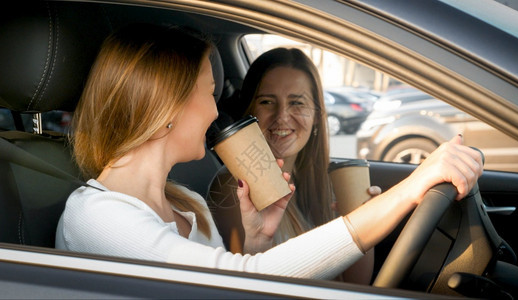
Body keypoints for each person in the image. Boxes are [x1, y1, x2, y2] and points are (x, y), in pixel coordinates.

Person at [56, 23, 483, 281]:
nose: (216, 110)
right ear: (166, 107)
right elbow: (239, 281)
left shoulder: (189, 207)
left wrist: (256, 240)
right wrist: (411, 188)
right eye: (208, 93)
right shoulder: (97, 216)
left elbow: (243, 284)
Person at [208, 48, 379, 284]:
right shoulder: (235, 187)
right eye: (267, 101)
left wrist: (362, 218)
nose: (282, 116)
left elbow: (355, 284)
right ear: (249, 111)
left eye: (297, 103)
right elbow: (249, 287)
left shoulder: (316, 181)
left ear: (318, 115)